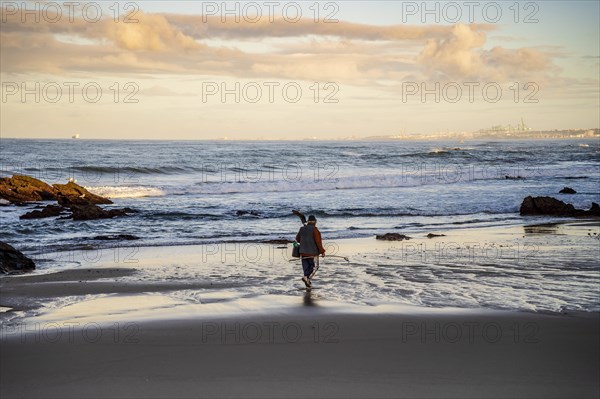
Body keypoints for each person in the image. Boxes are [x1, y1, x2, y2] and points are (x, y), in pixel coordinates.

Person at [295, 215, 325, 288]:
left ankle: (307, 279)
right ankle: (307, 278)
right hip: (313, 253)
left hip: (302, 252)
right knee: (315, 267)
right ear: (315, 222)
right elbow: (318, 242)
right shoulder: (315, 230)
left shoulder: (302, 229)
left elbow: (297, 239)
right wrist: (322, 251)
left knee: (306, 267)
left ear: (308, 221)